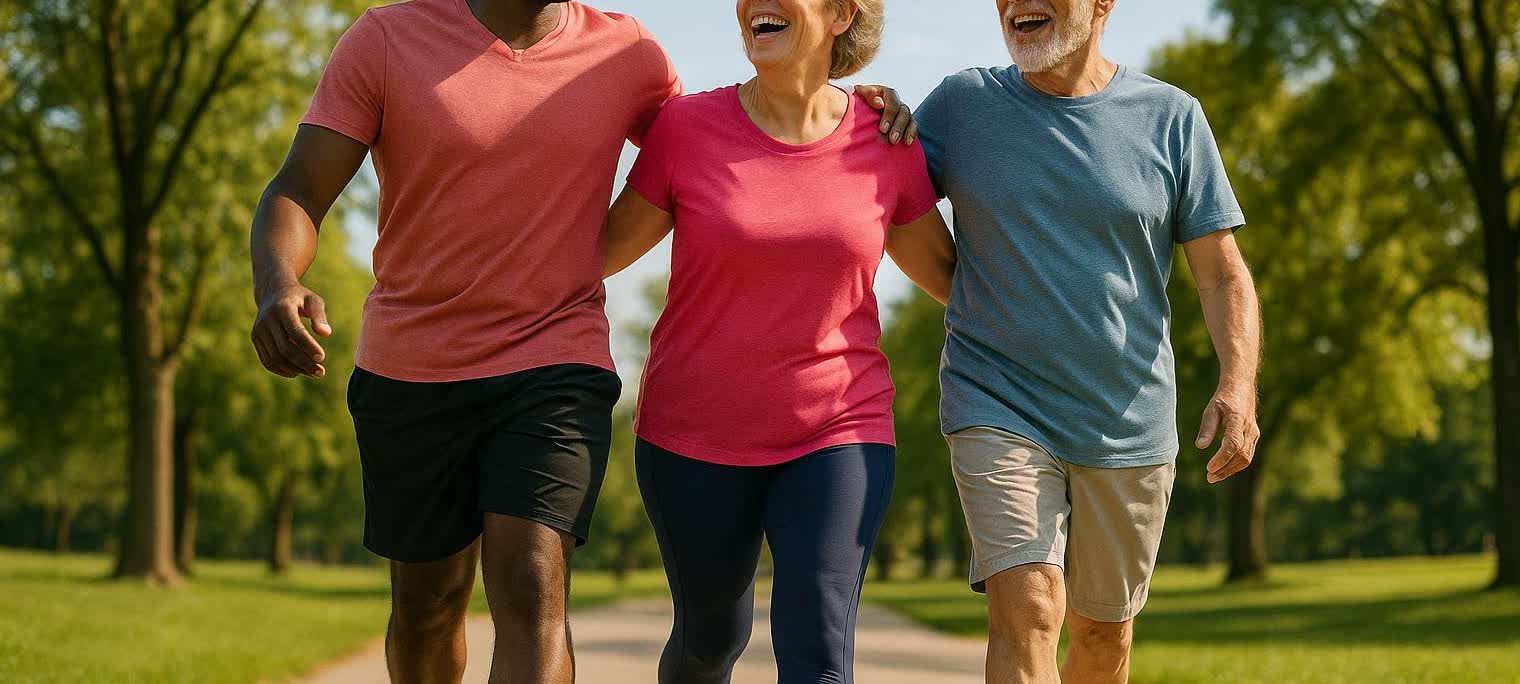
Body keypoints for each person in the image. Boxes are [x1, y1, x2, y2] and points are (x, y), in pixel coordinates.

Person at [248, 0, 917, 680]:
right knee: (427, 605)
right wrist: (278, 282)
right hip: (414, 362)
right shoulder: (388, 39)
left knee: (535, 587)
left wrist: (841, 100)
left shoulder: (625, 52)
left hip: (555, 356)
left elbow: (738, 131)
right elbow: (299, 186)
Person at [600, 0, 956, 681]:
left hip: (838, 429)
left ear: (842, 13)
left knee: (819, 650)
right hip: (691, 433)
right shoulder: (685, 128)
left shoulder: (885, 140)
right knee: (709, 639)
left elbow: (950, 279)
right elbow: (597, 254)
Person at [913, 1, 1263, 683]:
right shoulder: (961, 105)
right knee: (1030, 607)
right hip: (996, 399)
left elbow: (1221, 274)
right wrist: (868, 116)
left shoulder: (1171, 118)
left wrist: (1237, 382)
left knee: (1104, 634)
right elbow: (879, 195)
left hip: (1126, 417)